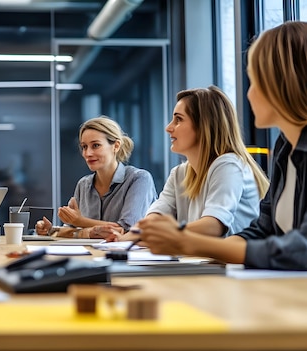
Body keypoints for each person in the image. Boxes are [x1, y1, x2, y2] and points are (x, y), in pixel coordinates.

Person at [137, 21, 307, 270]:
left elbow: (300, 250)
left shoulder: (229, 163)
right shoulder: (285, 147)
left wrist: (188, 243)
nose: (249, 94)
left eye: (256, 81)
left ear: (282, 82)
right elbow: (264, 229)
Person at [108, 86, 270, 242]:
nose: (168, 128)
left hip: (234, 266)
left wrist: (159, 234)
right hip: (205, 263)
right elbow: (154, 220)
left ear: (204, 126)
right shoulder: (179, 173)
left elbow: (213, 226)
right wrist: (123, 239)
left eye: (178, 119)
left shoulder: (228, 165)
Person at [35, 116, 157, 239]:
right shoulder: (83, 184)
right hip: (90, 254)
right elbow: (73, 230)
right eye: (84, 147)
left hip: (127, 256)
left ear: (116, 146)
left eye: (96, 145)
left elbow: (126, 230)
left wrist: (80, 221)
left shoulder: (139, 179)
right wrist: (51, 230)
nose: (87, 153)